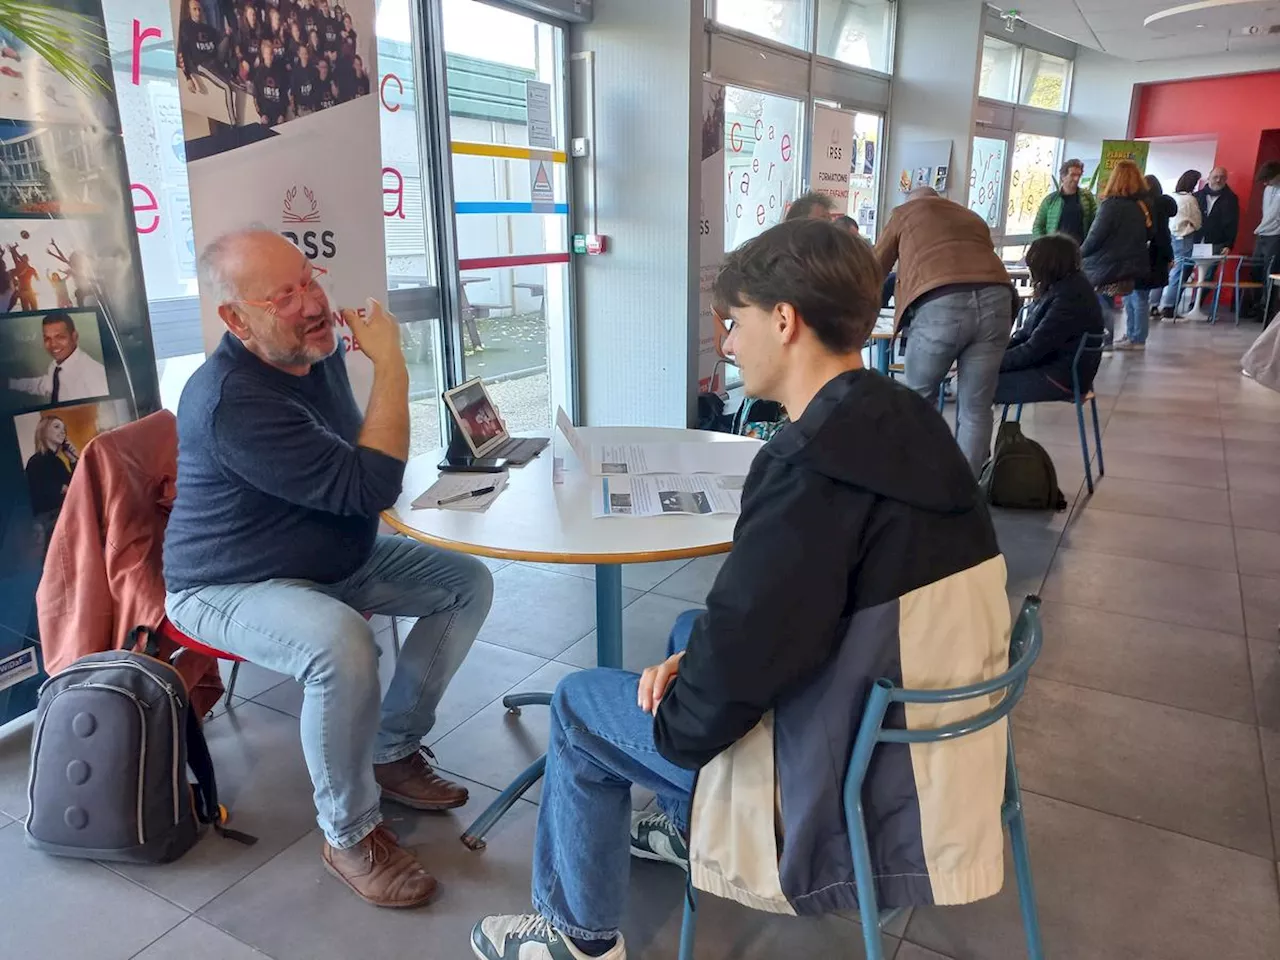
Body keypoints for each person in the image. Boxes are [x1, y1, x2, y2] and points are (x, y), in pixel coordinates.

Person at [472, 218, 1011, 960]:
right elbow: (784, 619)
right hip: (919, 722)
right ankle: (676, 823)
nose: (727, 344)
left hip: (837, 773)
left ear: (784, 321)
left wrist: (685, 714)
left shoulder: (808, 468)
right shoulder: (906, 417)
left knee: (579, 706)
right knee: (690, 634)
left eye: (735, 322)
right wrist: (698, 663)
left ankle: (575, 938)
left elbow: (729, 683)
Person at [163, 229, 494, 909]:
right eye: (282, 296)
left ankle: (391, 748)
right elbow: (368, 486)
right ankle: (349, 833)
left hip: (331, 559)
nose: (312, 303)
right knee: (340, 644)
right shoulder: (231, 400)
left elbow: (356, 468)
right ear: (236, 318)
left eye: (309, 280)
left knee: (466, 584)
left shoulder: (316, 357)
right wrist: (394, 365)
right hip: (227, 582)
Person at [874, 185, 1015, 475]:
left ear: (910, 201)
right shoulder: (971, 216)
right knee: (977, 407)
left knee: (918, 399)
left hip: (941, 302)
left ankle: (920, 485)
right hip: (998, 300)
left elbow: (873, 267)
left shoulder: (905, 213)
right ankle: (966, 494)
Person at [995, 234, 1105, 404]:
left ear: (1045, 265)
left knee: (978, 386)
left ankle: (1004, 431)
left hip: (1060, 377)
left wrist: (990, 363)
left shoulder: (1069, 297)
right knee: (980, 378)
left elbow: (1034, 349)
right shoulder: (1066, 286)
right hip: (1060, 369)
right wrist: (992, 356)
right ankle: (1008, 430)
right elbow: (1025, 335)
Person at [1080, 160, 1153, 351]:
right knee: (1117, 302)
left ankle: (1105, 343)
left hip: (1105, 265)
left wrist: (1077, 254)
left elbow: (1095, 236)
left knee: (1102, 304)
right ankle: (1118, 340)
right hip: (1129, 265)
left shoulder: (1110, 206)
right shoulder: (1141, 206)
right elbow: (1149, 234)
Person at [1120, 174, 1175, 351]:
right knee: (1135, 297)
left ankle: (1137, 337)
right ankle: (1133, 335)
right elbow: (1165, 236)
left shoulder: (1143, 207)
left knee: (1136, 298)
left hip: (1141, 257)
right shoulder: (1162, 208)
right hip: (1153, 257)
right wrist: (1169, 256)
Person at [8, 311, 109, 403]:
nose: (53, 345)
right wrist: (10, 383)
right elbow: (46, 384)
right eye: (47, 338)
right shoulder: (56, 366)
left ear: (74, 337)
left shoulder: (95, 374)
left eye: (60, 337)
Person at [25, 414, 78, 546]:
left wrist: (73, 460)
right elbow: (60, 490)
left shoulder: (58, 461)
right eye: (56, 427)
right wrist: (67, 489)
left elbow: (77, 485)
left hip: (62, 516)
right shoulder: (36, 461)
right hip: (51, 521)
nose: (62, 432)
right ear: (43, 431)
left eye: (64, 429)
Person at [1159, 169, 1202, 320]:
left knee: (1164, 268)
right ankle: (1170, 307)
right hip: (1184, 237)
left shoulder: (1171, 196)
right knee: (1179, 272)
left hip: (1169, 235)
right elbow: (1197, 222)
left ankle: (1154, 304)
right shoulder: (1190, 200)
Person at [1032, 158, 1098, 245]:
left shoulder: (1087, 197)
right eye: (1073, 175)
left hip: (1079, 248)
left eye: (1079, 175)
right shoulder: (1051, 200)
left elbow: (1095, 222)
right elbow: (1038, 226)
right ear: (1063, 177)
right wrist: (1044, 246)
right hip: (1055, 248)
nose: (1076, 179)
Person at [1252, 161, 1280, 326]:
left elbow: (1274, 214)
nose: (1266, 183)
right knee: (1257, 270)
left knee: (1270, 273)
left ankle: (1267, 310)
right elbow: (1266, 212)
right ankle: (1258, 306)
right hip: (1262, 233)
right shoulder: (1268, 189)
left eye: (1268, 179)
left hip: (1276, 235)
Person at [1195, 166, 1240, 256]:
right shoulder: (1197, 196)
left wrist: (1229, 245)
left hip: (1217, 242)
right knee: (1186, 269)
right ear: (1209, 177)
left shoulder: (1231, 199)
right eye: (1215, 177)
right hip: (1195, 239)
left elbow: (1233, 223)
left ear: (1226, 179)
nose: (1218, 180)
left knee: (1210, 269)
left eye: (1222, 177)